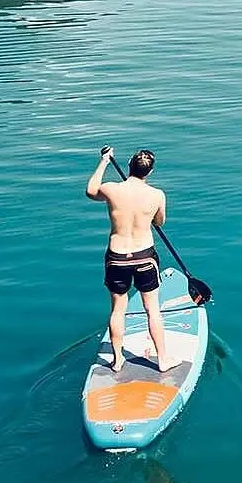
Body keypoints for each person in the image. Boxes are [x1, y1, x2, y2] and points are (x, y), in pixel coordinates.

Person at [86, 146, 173, 374]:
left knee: (117, 310)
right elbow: (160, 222)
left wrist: (104, 161)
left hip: (117, 257)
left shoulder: (112, 189)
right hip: (145, 256)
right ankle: (163, 360)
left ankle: (117, 360)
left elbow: (91, 190)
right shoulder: (157, 195)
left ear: (129, 167)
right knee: (152, 310)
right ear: (150, 172)